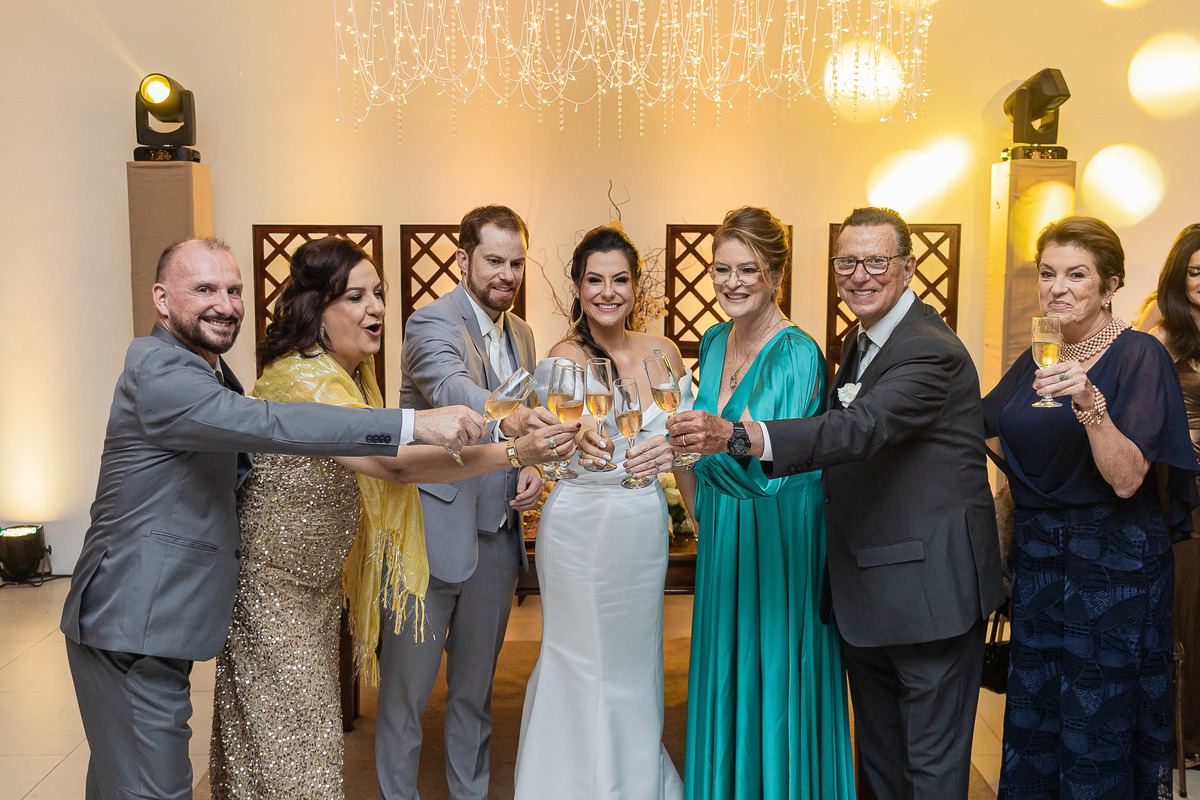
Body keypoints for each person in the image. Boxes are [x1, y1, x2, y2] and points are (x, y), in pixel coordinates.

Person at [59, 237, 482, 800]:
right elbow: (273, 423)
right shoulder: (161, 371)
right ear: (161, 299)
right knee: (155, 789)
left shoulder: (204, 370)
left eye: (233, 290)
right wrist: (412, 423)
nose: (225, 304)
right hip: (131, 620)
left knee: (122, 784)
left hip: (161, 617)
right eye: (204, 289)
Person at [207, 237, 575, 799]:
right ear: (316, 310)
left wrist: (520, 459)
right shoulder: (307, 380)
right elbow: (396, 463)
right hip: (276, 595)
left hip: (317, 587)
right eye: (356, 297)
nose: (377, 307)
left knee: (305, 746)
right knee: (291, 752)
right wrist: (513, 446)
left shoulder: (353, 376)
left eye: (378, 293)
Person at [669, 206, 1004, 800]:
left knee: (929, 770)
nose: (859, 275)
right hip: (866, 586)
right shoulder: (860, 342)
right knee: (882, 762)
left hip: (928, 591)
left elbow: (858, 430)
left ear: (908, 266)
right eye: (847, 262)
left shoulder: (929, 348)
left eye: (876, 261)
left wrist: (738, 436)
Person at [983, 216, 1199, 798]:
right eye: (1047, 273)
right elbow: (983, 421)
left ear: (1110, 286)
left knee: (1097, 719)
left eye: (1076, 275)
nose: (1057, 287)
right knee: (1036, 715)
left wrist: (1089, 402)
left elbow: (1127, 479)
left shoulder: (1140, 355)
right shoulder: (1040, 353)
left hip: (1114, 564)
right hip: (1041, 559)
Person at [662, 207, 855, 799]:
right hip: (724, 525)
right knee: (725, 668)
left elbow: (764, 473)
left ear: (776, 274)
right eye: (721, 269)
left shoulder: (798, 352)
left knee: (775, 671)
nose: (732, 282)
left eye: (748, 269)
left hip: (779, 533)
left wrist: (676, 448)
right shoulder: (714, 340)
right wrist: (694, 497)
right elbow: (698, 446)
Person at [377, 205, 555, 800]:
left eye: (516, 263)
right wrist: (516, 423)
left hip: (498, 538)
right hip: (429, 536)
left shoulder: (523, 333)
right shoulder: (430, 323)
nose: (507, 275)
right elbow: (452, 392)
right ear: (463, 260)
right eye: (494, 261)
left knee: (476, 696)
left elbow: (525, 429)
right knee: (404, 698)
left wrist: (530, 464)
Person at [512, 225, 688, 800]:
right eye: (595, 280)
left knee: (637, 660)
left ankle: (633, 781)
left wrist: (701, 520)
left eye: (620, 280)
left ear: (637, 287)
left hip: (643, 520)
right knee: (582, 659)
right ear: (578, 287)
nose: (608, 292)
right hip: (582, 523)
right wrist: (567, 443)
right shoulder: (565, 358)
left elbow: (684, 444)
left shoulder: (663, 352)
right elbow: (554, 439)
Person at [1152, 222, 1200, 769]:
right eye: (1195, 271)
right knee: (1189, 612)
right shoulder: (1162, 332)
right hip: (1187, 485)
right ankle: (1183, 737)